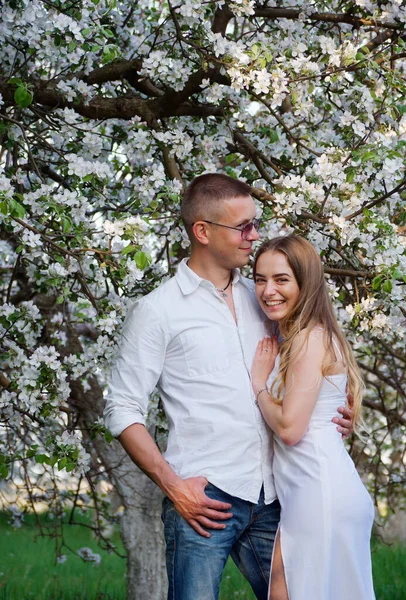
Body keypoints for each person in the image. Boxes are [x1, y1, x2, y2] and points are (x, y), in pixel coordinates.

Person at [103, 174, 353, 600]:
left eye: (255, 223)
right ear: (202, 231)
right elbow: (122, 409)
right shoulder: (158, 311)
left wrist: (328, 417)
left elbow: (305, 367)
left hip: (275, 493)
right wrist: (173, 485)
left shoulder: (265, 296)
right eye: (243, 227)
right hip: (204, 501)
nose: (253, 236)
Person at [251, 235, 376, 600]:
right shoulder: (300, 337)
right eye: (260, 279)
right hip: (313, 489)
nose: (268, 290)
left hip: (320, 492)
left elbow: (290, 429)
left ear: (306, 283)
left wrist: (259, 385)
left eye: (281, 279)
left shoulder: (309, 338)